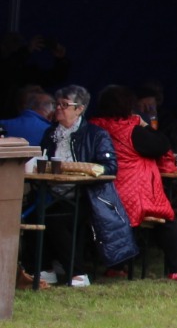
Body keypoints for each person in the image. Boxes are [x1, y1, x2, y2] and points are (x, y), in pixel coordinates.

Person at [37, 85, 138, 282]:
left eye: (65, 105)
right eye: (57, 104)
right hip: (51, 192)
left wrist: (88, 170)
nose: (58, 108)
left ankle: (77, 273)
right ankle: (45, 268)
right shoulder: (50, 134)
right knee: (33, 211)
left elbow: (110, 166)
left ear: (80, 109)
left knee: (54, 219)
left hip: (86, 196)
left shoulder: (96, 134)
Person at [91, 84, 177, 278]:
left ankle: (116, 266)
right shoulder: (133, 130)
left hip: (102, 192)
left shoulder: (94, 127)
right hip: (131, 191)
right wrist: (144, 125)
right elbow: (161, 144)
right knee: (166, 219)